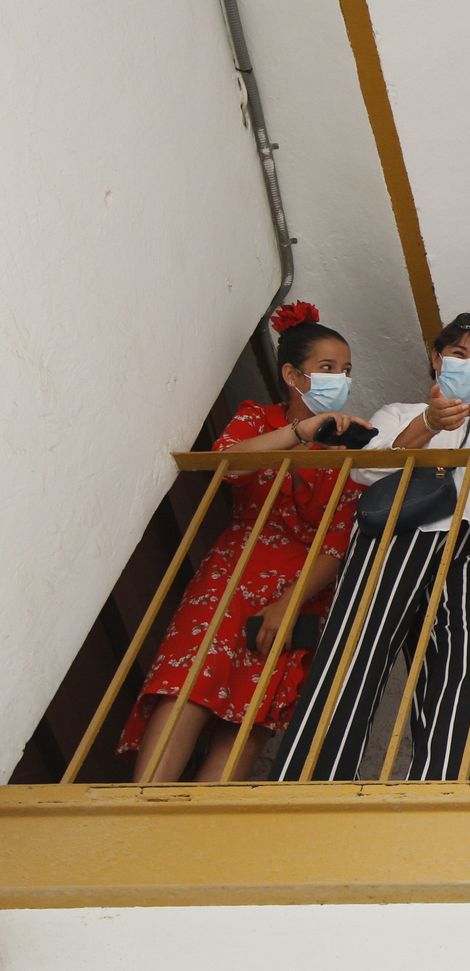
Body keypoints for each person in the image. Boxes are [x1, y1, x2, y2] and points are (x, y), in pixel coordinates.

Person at [272, 313, 470, 781]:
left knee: (469, 672)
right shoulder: (398, 412)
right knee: (356, 651)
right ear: (436, 359)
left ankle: (448, 791)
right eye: (459, 355)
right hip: (397, 541)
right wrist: (429, 422)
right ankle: (313, 779)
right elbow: (369, 469)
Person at [119, 301, 368, 781]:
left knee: (251, 717)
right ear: (294, 375)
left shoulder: (351, 450)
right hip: (233, 576)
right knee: (189, 685)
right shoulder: (259, 417)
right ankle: (142, 817)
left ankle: (199, 841)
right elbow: (227, 464)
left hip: (301, 593)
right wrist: (299, 432)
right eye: (328, 368)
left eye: (347, 370)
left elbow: (338, 545)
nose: (342, 378)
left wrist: (288, 604)